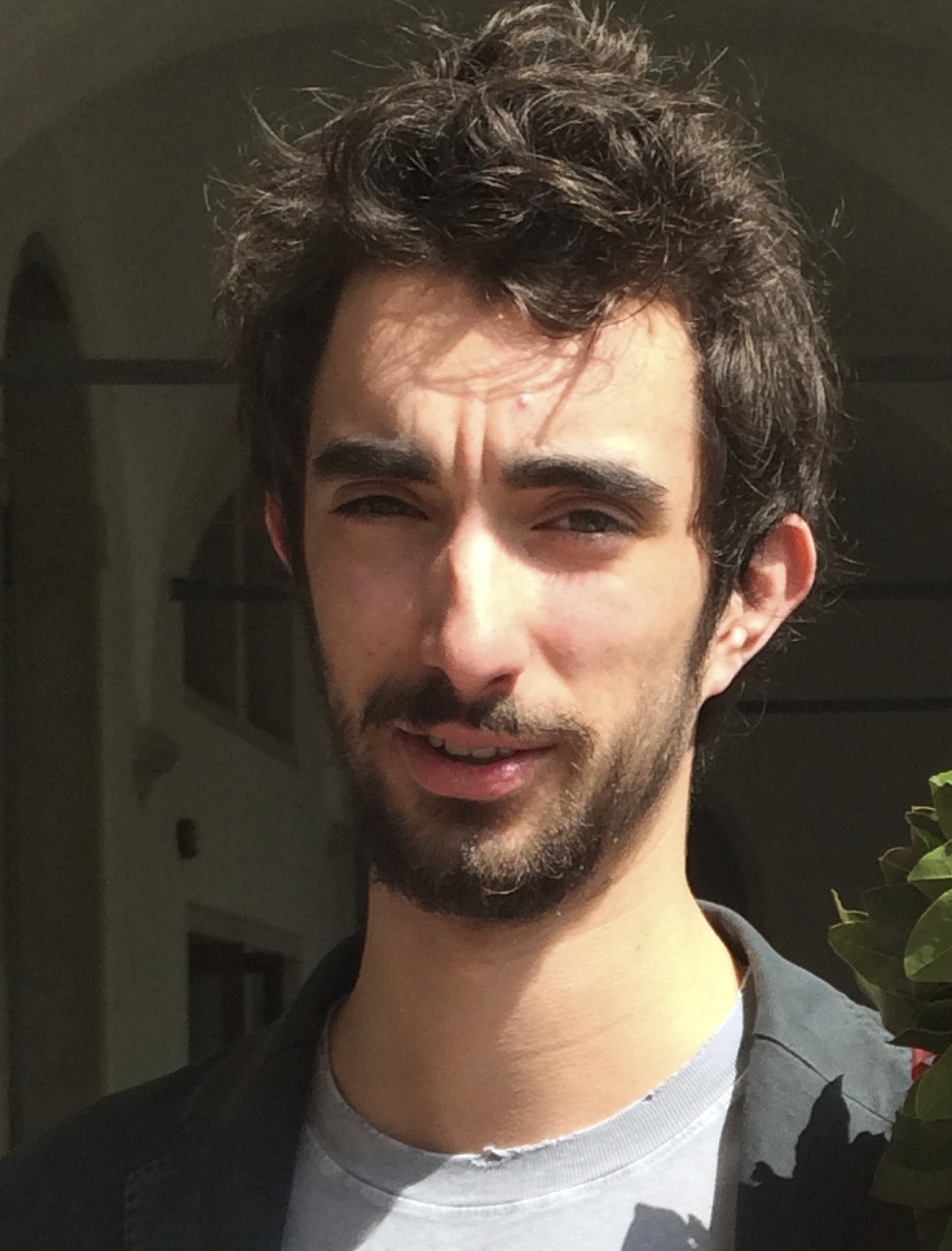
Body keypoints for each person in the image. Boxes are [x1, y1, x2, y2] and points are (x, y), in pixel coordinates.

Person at [0, 4, 919, 1248]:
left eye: (580, 519)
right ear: (290, 544)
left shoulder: (912, 1185)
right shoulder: (56, 1212)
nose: (466, 639)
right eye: (384, 506)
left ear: (748, 597)